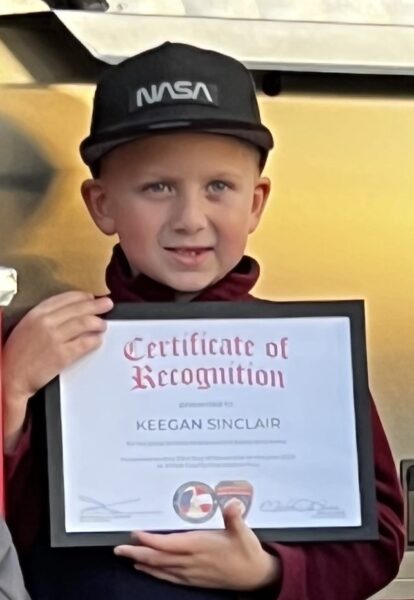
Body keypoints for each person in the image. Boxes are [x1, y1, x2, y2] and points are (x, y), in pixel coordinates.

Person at [2, 42, 405, 600]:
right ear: (102, 204)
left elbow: (379, 539)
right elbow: (15, 527)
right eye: (158, 187)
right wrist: (10, 392)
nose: (190, 219)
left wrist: (270, 571)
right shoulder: (45, 346)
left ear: (256, 202)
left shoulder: (310, 354)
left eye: (219, 186)